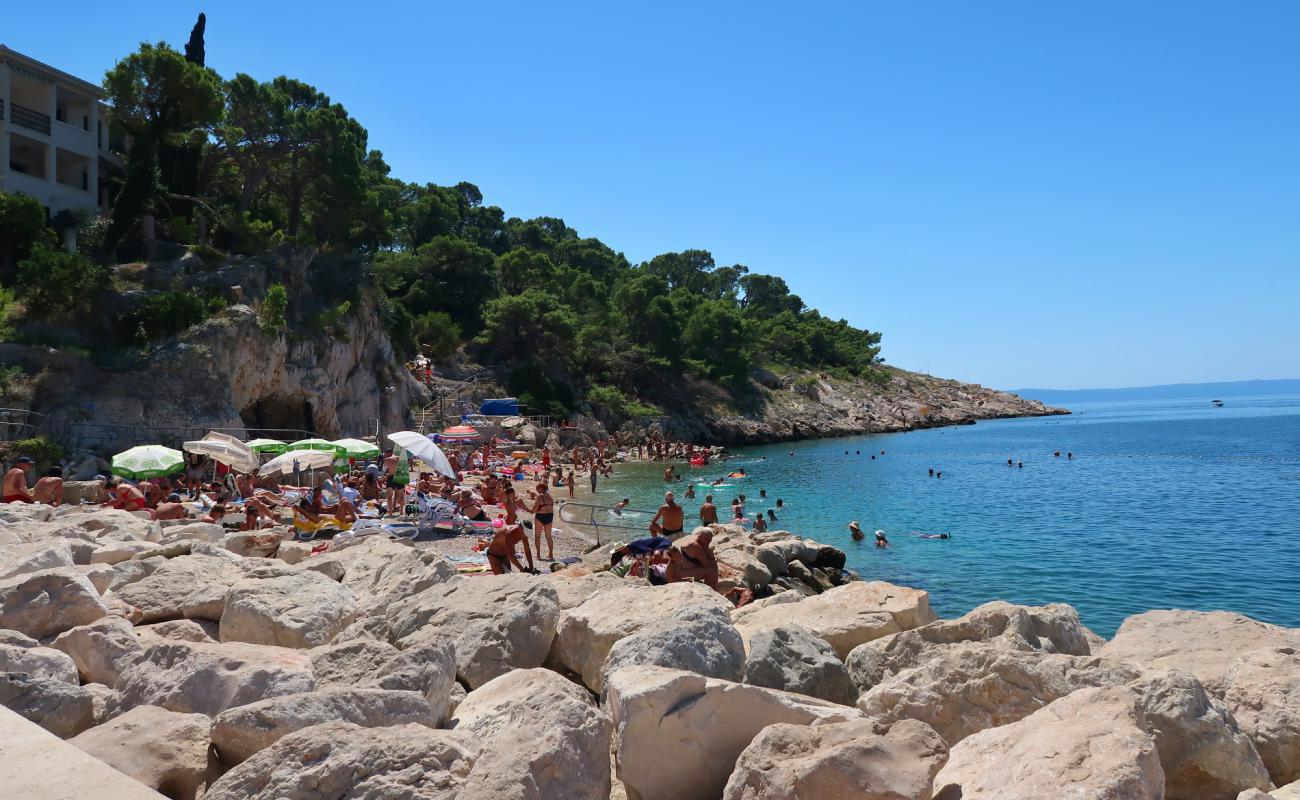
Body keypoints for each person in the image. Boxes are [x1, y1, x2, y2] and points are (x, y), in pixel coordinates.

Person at [609, 535, 674, 567]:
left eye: (622, 551)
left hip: (662, 542)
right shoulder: (631, 552)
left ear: (625, 548)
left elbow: (649, 550)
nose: (623, 553)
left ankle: (670, 565)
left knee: (656, 554)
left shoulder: (634, 545)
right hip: (659, 545)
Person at [529, 481, 555, 561]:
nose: (536, 490)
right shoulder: (550, 497)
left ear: (541, 488)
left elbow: (534, 509)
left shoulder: (539, 496)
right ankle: (551, 554)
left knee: (537, 536)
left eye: (537, 488)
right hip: (549, 516)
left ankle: (538, 555)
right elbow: (550, 508)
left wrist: (529, 510)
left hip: (540, 516)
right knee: (548, 536)